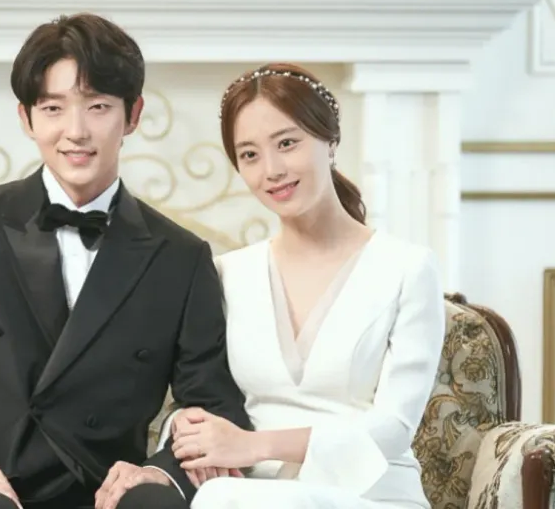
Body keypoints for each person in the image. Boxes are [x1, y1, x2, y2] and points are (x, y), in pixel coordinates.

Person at [0, 13, 250, 509]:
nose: (76, 131)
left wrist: (158, 472)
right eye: (53, 108)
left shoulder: (181, 256)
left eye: (98, 107)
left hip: (108, 495)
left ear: (133, 115)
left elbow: (212, 403)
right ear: (26, 118)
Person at [167, 63, 446, 508]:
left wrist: (254, 445)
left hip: (371, 493)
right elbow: (203, 395)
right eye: (250, 155)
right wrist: (188, 424)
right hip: (254, 494)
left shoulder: (407, 268)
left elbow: (394, 428)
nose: (272, 170)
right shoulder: (227, 275)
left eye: (287, 143)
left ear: (330, 141)